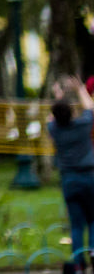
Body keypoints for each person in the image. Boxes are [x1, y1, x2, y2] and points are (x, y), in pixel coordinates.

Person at [50, 79, 94, 274]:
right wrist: (79, 89)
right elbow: (90, 107)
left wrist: (58, 96)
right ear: (72, 112)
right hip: (89, 177)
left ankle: (78, 264)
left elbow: (53, 116)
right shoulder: (83, 126)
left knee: (76, 224)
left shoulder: (54, 130)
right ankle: (93, 252)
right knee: (93, 220)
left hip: (69, 180)